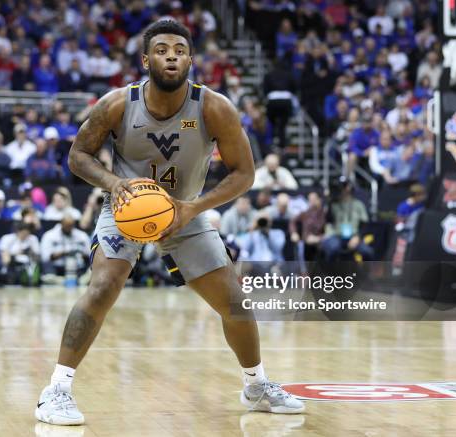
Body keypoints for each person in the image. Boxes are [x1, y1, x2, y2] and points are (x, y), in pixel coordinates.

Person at [35, 20, 304, 426]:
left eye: (179, 49)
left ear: (191, 60)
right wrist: (114, 182)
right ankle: (56, 389)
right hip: (125, 208)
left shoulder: (214, 107)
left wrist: (194, 209)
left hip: (184, 211)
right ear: (146, 60)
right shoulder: (117, 104)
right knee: (104, 286)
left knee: (235, 303)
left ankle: (257, 385)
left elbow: (244, 174)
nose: (171, 55)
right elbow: (78, 156)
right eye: (161, 49)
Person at [322, 178, 373, 262]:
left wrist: (358, 237)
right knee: (333, 248)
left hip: (353, 236)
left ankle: (365, 273)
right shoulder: (332, 204)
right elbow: (328, 220)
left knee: (367, 252)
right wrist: (328, 199)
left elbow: (365, 224)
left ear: (348, 188)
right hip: (336, 235)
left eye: (341, 187)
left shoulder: (358, 204)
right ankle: (330, 273)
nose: (339, 189)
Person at [40, 214, 91, 283]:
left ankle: (80, 280)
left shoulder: (82, 236)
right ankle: (59, 280)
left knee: (90, 269)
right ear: (61, 224)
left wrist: (81, 253)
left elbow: (90, 254)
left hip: (77, 268)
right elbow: (45, 257)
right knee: (48, 272)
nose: (69, 228)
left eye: (71, 226)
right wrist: (63, 253)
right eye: (67, 226)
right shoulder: (49, 235)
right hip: (57, 268)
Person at [289, 191, 326, 269]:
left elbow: (330, 230)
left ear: (319, 200)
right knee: (299, 248)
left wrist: (318, 239)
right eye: (310, 200)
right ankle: (303, 273)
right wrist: (294, 233)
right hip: (305, 243)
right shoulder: (305, 213)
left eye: (314, 199)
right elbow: (292, 222)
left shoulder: (325, 214)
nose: (311, 202)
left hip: (320, 243)